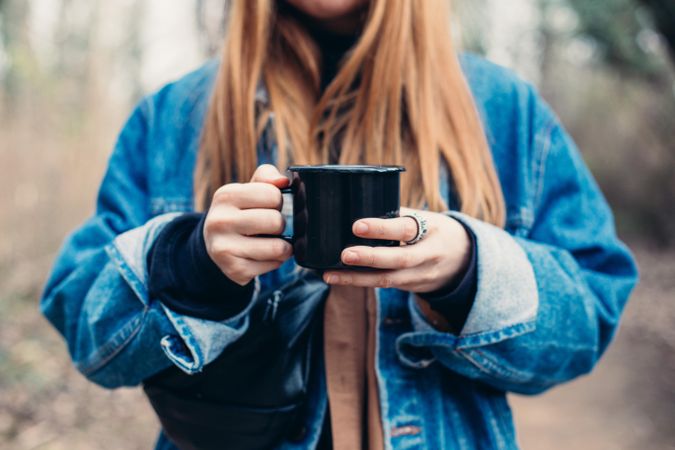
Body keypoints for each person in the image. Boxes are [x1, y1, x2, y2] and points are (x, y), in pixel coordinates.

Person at [40, 0, 639, 449]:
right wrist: (189, 261)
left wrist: (468, 270)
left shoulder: (504, 109)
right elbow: (85, 328)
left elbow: (590, 316)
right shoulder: (174, 117)